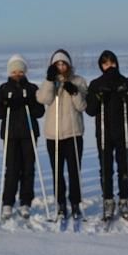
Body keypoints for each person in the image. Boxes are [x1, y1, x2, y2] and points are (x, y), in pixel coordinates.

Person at [84, 50, 128, 222]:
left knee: (124, 167)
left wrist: (126, 95)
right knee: (105, 168)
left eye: (112, 62)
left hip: (122, 131)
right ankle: (108, 200)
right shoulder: (96, 84)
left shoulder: (126, 82)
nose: (109, 66)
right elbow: (90, 110)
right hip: (104, 132)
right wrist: (98, 96)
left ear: (117, 63)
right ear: (101, 66)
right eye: (105, 63)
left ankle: (124, 199)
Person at [36, 49, 88, 220]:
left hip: (73, 133)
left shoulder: (78, 80)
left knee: (74, 171)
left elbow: (82, 106)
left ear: (68, 65)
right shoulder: (49, 81)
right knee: (57, 172)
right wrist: (49, 80)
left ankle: (75, 202)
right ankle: (60, 203)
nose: (61, 67)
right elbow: (44, 99)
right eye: (57, 64)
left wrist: (74, 92)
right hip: (54, 134)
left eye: (63, 63)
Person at [0, 54, 44, 220]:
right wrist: (4, 105)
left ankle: (25, 201)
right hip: (11, 134)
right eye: (14, 71)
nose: (17, 74)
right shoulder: (3, 89)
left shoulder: (32, 88)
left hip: (29, 134)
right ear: (9, 72)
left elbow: (40, 112)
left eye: (20, 71)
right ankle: (8, 202)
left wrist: (31, 103)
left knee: (28, 168)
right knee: (12, 169)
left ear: (25, 72)